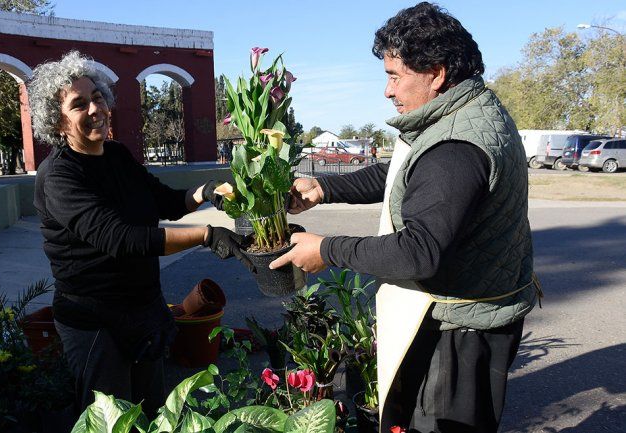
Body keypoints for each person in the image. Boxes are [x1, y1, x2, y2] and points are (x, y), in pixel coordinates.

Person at [271, 3, 540, 432]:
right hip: (472, 309)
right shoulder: (462, 111)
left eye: (394, 76)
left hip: (463, 330)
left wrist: (326, 249)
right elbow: (404, 174)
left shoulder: (456, 145)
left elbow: (418, 253)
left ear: (435, 73)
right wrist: (325, 187)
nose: (387, 90)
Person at [29, 51, 250, 418]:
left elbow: (161, 200)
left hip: (142, 311)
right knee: (111, 420)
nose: (95, 109)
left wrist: (204, 192)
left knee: (151, 414)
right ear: (58, 122)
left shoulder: (116, 155)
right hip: (96, 324)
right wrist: (205, 235)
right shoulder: (59, 176)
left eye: (97, 97)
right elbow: (122, 240)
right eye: (79, 104)